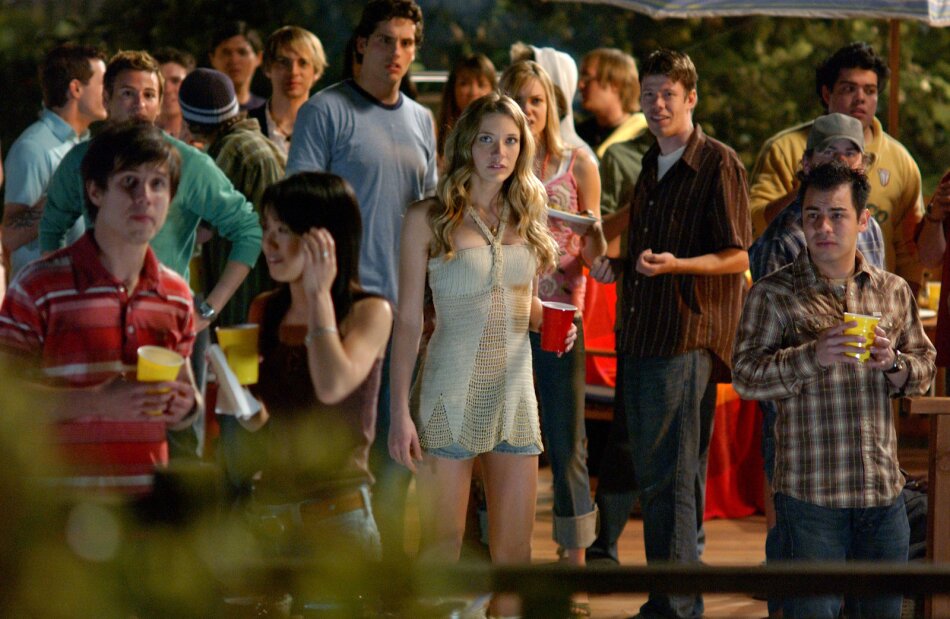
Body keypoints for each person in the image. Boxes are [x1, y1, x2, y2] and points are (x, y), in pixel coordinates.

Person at [389, 92, 569, 617]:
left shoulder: (527, 213)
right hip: (448, 392)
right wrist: (399, 413)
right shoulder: (427, 217)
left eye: (511, 141)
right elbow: (407, 322)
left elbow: (520, 301)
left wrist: (551, 320)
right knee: (441, 549)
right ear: (466, 143)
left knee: (515, 557)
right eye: (487, 139)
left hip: (515, 396)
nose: (499, 152)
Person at [733, 161, 935, 618]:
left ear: (863, 220)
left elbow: (924, 370)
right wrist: (813, 355)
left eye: (837, 215)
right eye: (813, 215)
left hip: (882, 494)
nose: (823, 227)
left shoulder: (892, 291)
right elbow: (744, 376)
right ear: (800, 220)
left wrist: (893, 364)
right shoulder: (772, 294)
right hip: (809, 497)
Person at [590, 49, 751, 619]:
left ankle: (676, 606)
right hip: (640, 334)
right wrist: (615, 264)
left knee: (673, 481)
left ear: (691, 98)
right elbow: (642, 245)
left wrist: (679, 265)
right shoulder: (649, 162)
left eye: (668, 95)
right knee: (659, 478)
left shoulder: (718, 163)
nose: (657, 105)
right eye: (649, 95)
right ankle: (672, 600)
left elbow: (738, 256)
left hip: (685, 339)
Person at [39, 50, 262, 458]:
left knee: (178, 441)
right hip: (94, 317)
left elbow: (248, 229)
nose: (138, 105)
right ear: (107, 99)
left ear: (161, 104)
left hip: (169, 318)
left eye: (148, 95)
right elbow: (52, 226)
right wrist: (58, 295)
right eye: (127, 93)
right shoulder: (82, 162)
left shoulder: (187, 164)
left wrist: (209, 308)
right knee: (95, 434)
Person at [286, 0, 437, 560]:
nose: (396, 52)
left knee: (397, 456)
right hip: (347, 308)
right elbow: (299, 206)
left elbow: (430, 212)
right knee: (341, 461)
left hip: (404, 312)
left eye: (406, 42)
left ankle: (388, 582)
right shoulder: (325, 111)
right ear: (362, 44)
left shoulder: (421, 120)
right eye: (385, 40)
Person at [0, 121, 199, 494]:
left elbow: (184, 393)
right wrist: (96, 401)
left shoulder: (175, 294)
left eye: (158, 184)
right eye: (129, 182)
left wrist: (186, 407)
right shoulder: (38, 285)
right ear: (95, 191)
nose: (145, 197)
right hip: (58, 505)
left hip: (145, 506)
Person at [748, 112, 885, 617]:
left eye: (850, 153)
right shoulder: (786, 233)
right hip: (800, 422)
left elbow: (883, 305)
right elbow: (760, 351)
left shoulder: (870, 228)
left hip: (861, 418)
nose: (840, 162)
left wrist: (888, 353)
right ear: (806, 164)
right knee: (796, 551)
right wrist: (813, 353)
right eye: (830, 152)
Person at [219, 171, 392, 565]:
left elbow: (332, 386)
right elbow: (261, 421)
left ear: (325, 238)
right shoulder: (265, 308)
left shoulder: (370, 311)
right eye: (266, 228)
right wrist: (232, 386)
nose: (269, 244)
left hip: (337, 512)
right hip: (270, 510)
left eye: (283, 230)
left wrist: (318, 297)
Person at [499, 60, 605, 569]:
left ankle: (574, 558)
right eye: (519, 99)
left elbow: (593, 250)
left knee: (566, 439)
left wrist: (595, 239)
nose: (529, 109)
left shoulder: (578, 163)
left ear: (552, 105)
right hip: (503, 312)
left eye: (537, 100)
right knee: (501, 435)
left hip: (561, 314)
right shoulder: (497, 163)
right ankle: (501, 551)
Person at [748, 42, 924, 289]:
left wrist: (904, 303)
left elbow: (908, 250)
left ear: (864, 163)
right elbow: (754, 222)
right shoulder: (783, 149)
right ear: (826, 93)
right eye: (849, 88)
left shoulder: (900, 163)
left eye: (870, 90)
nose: (860, 98)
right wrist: (815, 189)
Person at [179, 67, 285, 327]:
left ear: (190, 121)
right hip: (270, 289)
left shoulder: (230, 151)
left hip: (245, 295)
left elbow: (200, 230)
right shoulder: (257, 141)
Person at [3, 43, 107, 279]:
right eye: (103, 83)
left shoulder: (85, 145)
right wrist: (64, 195)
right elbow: (9, 236)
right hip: (41, 290)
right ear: (76, 88)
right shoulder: (33, 147)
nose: (109, 91)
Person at [248, 26, 327, 156]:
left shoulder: (329, 129)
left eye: (303, 63)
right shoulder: (247, 125)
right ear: (267, 68)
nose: (293, 72)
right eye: (283, 62)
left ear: (316, 71)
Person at [576, 48, 647, 158]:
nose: (580, 85)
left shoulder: (644, 135)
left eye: (587, 77)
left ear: (615, 83)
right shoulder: (579, 134)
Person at [436, 53, 496, 168]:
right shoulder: (436, 132)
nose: (473, 92)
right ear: (452, 89)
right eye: (464, 83)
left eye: (481, 84)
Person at [209, 20, 265, 111]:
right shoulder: (199, 110)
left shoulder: (269, 112)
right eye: (226, 53)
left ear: (259, 58)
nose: (234, 60)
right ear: (212, 59)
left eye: (242, 52)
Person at [153, 46, 196, 143]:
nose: (167, 89)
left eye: (175, 81)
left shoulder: (202, 136)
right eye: (160, 80)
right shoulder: (138, 133)